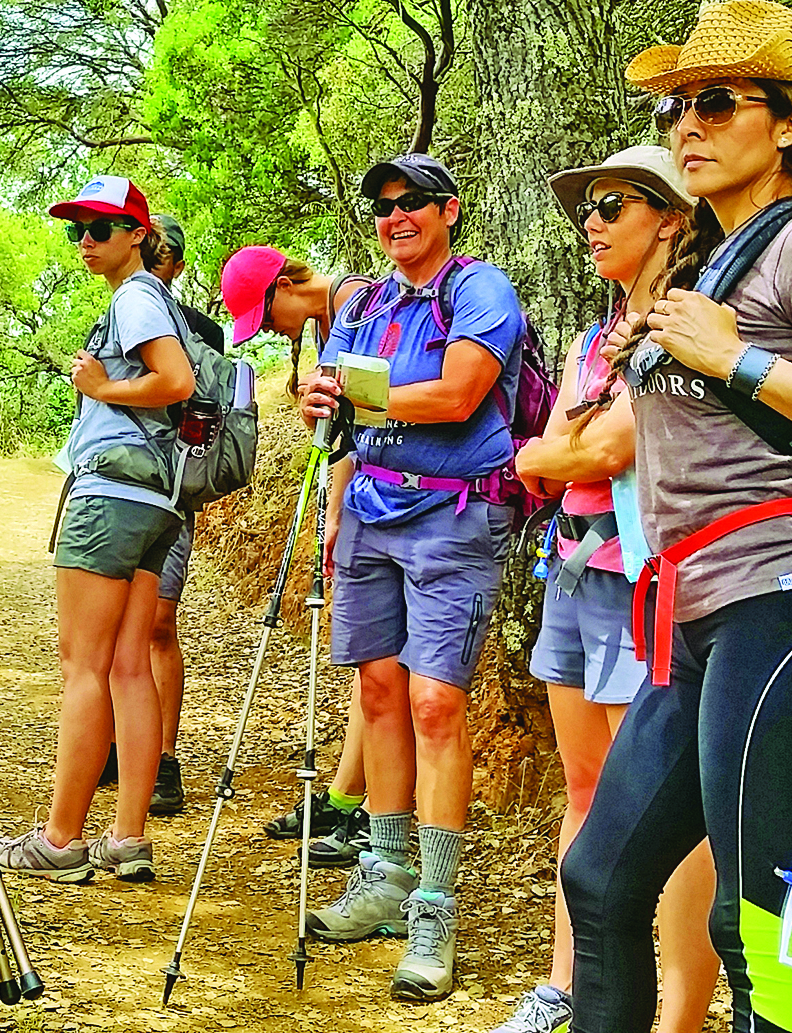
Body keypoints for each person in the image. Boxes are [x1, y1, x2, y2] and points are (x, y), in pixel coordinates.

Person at [558, 2, 792, 1033]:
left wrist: (738, 359)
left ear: (788, 123)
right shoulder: (712, 261)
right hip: (693, 610)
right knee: (598, 877)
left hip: (789, 601)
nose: (689, 121)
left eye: (717, 102)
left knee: (757, 917)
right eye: (680, 104)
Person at [295, 152, 529, 1003]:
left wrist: (362, 393)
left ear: (449, 210)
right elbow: (330, 397)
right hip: (367, 508)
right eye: (384, 206)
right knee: (381, 693)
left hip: (453, 514)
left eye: (413, 204)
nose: (396, 217)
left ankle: (435, 904)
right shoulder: (364, 302)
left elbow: (462, 394)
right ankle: (384, 877)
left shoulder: (480, 290)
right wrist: (320, 402)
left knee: (437, 702)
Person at [496, 147, 720, 1033]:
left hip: (652, 584)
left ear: (670, 216)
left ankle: (677, 1009)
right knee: (585, 786)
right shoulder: (599, 341)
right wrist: (566, 449)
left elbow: (592, 451)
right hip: (576, 572)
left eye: (613, 203)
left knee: (662, 802)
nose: (592, 221)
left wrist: (569, 448)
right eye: (586, 205)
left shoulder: (686, 323)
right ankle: (569, 984)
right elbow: (540, 456)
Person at [0, 175, 195, 883]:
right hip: (157, 500)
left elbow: (174, 381)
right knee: (127, 665)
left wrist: (102, 387)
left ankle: (60, 838)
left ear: (137, 234)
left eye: (100, 228)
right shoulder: (154, 296)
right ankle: (127, 837)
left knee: (83, 664)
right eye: (76, 228)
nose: (85, 240)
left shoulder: (136, 296)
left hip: (110, 496)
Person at [219, 245, 376, 868]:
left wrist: (335, 513)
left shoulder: (358, 305)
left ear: (287, 283)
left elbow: (364, 427)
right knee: (373, 667)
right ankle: (345, 799)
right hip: (370, 501)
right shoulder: (332, 316)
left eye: (267, 314)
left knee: (378, 665)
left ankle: (350, 806)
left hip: (394, 505)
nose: (273, 330)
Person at [103, 212, 223, 817]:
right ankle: (120, 747)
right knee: (115, 628)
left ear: (174, 263)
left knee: (156, 624)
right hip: (117, 490)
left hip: (168, 492)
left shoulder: (197, 331)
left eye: (161, 257)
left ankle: (163, 758)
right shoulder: (121, 314)